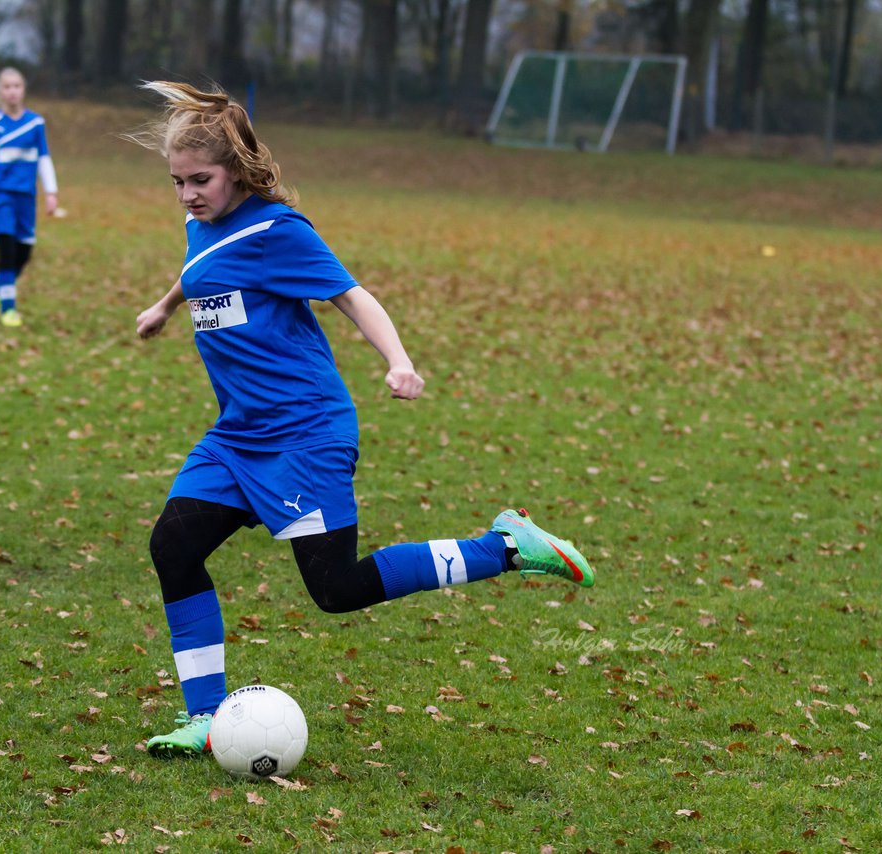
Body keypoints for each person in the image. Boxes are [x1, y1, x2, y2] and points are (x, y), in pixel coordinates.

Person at [127, 81, 595, 757]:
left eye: (199, 180)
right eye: (176, 182)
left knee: (336, 589)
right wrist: (165, 306)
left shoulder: (277, 231)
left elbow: (353, 295)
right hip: (237, 436)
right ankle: (204, 716)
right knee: (172, 547)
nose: (187, 195)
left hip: (305, 434)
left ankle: (509, 547)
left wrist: (398, 360)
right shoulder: (202, 222)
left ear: (236, 169)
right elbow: (201, 263)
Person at [0, 67, 59, 328]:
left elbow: (44, 159)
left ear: (23, 90)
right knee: (6, 249)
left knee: (24, 252)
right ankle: (8, 309)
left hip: (26, 197)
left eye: (17, 86)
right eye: (7, 87)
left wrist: (51, 192)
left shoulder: (35, 124)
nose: (12, 91)